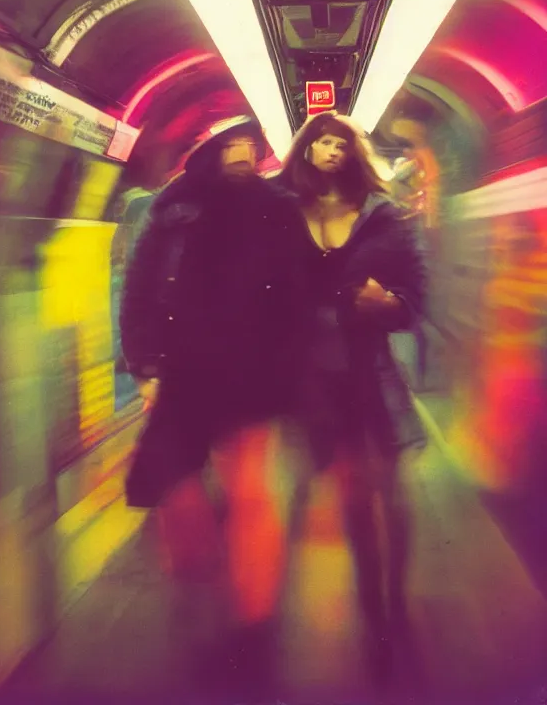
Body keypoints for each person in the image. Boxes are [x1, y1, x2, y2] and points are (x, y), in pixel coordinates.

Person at [119, 115, 305, 698]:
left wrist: (293, 370)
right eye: (233, 143)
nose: (244, 151)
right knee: (177, 491)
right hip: (182, 374)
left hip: (252, 378)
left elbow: (297, 292)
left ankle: (252, 625)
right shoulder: (174, 208)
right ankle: (199, 578)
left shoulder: (277, 207)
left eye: (252, 143)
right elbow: (142, 285)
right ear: (208, 151)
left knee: (251, 495)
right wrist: (144, 364)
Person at [275, 111, 427, 685]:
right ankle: (374, 612)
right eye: (322, 140)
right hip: (315, 380)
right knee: (355, 498)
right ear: (307, 152)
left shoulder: (386, 218)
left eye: (342, 141)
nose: (332, 147)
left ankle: (395, 595)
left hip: (369, 371)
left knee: (391, 491)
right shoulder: (284, 215)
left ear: (355, 154)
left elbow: (417, 296)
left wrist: (389, 306)